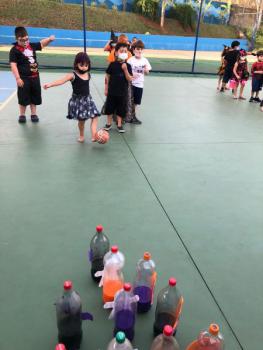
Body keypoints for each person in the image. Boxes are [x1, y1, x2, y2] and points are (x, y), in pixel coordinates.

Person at [43, 52, 100, 143]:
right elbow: (61, 81)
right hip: (78, 101)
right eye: (81, 65)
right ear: (76, 64)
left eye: (86, 65)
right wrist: (50, 84)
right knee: (82, 121)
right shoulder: (72, 75)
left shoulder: (88, 74)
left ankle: (94, 135)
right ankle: (81, 135)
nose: (84, 67)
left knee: (95, 116)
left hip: (88, 100)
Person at [9, 26, 55, 123]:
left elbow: (42, 44)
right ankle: (22, 115)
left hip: (35, 77)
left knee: (34, 96)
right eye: (22, 40)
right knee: (23, 97)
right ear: (17, 39)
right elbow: (13, 65)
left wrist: (49, 40)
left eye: (26, 39)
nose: (25, 42)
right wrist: (18, 78)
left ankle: (33, 114)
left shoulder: (32, 46)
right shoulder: (14, 50)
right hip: (23, 78)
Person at [104, 42, 133, 133]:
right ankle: (108, 123)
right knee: (109, 108)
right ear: (116, 53)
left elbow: (129, 79)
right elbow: (107, 76)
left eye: (125, 51)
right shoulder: (112, 65)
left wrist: (125, 70)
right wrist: (106, 88)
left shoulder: (128, 66)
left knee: (121, 109)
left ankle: (119, 124)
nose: (124, 53)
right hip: (112, 91)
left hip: (122, 92)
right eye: (121, 51)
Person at [127, 40, 151, 124]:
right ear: (133, 50)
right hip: (130, 84)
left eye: (141, 49)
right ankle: (125, 116)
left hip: (139, 84)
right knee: (128, 101)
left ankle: (133, 116)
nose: (139, 51)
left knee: (136, 102)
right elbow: (126, 72)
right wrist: (131, 76)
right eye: (137, 49)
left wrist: (145, 70)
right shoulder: (130, 60)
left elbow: (147, 72)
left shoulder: (145, 60)